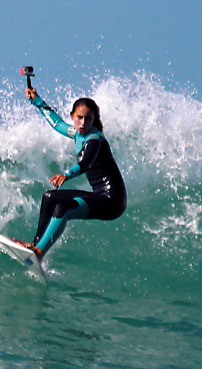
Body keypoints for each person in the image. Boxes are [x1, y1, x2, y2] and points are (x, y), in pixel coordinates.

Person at [17, 84, 127, 259]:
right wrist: (37, 101)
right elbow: (57, 123)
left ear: (94, 120)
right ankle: (35, 245)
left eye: (88, 119)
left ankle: (39, 252)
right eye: (79, 118)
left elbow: (86, 163)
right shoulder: (77, 133)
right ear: (72, 117)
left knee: (64, 207)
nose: (83, 123)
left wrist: (66, 174)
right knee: (49, 197)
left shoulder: (95, 139)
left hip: (112, 201)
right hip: (99, 194)